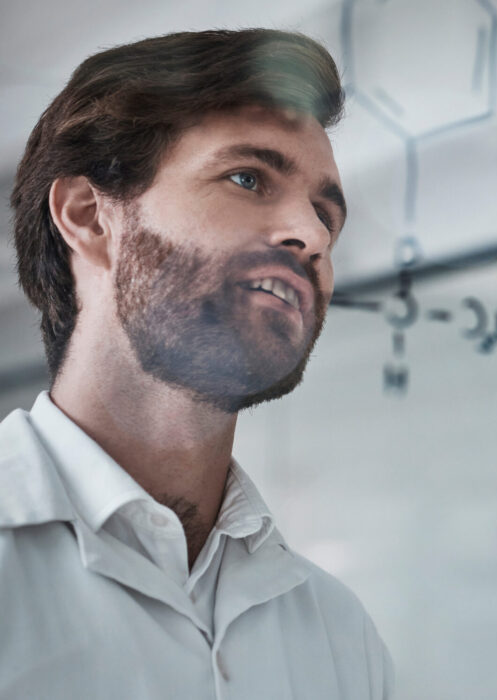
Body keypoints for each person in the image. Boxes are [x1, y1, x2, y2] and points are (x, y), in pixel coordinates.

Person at [1, 30, 393, 697]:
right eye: (247, 178)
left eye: (327, 212)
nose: (315, 235)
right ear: (90, 217)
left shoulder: (337, 633)